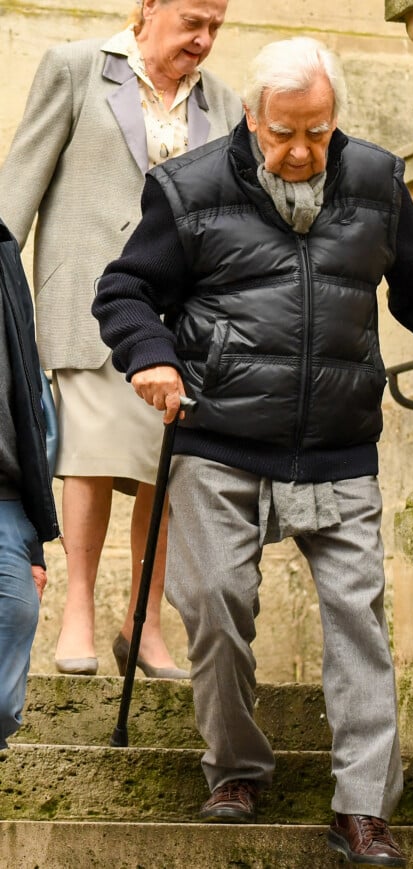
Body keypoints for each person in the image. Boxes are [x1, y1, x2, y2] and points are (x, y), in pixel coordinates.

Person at [93, 36, 413, 867]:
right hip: (219, 438)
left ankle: (363, 808)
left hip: (339, 445)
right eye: (284, 133)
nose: (302, 150)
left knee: (359, 624)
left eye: (317, 130)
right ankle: (236, 767)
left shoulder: (377, 182)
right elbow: (125, 289)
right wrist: (152, 355)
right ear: (251, 116)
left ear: (333, 116)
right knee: (214, 607)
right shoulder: (189, 187)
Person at [0, 0, 242, 676]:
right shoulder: (75, 70)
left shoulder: (223, 103)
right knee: (93, 451)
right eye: (193, 21)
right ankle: (77, 610)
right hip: (86, 299)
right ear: (149, 7)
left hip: (182, 322)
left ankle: (144, 623)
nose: (203, 38)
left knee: (166, 471)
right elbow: (17, 187)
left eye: (215, 27)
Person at [0, 217, 60, 750]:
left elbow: (25, 393)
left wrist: (36, 538)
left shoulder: (2, 250)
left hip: (7, 503)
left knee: (1, 699)